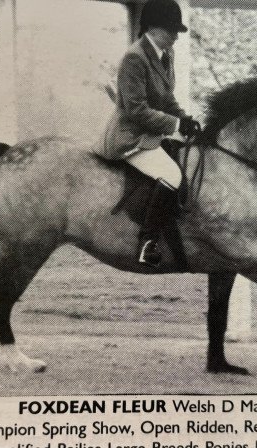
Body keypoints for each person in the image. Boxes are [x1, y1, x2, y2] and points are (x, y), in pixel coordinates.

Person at [93, 0, 201, 267]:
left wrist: (184, 118)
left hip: (153, 131)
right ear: (154, 28)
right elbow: (136, 111)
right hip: (131, 137)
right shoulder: (135, 57)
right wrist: (175, 126)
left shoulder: (167, 55)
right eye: (172, 30)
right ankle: (147, 243)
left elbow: (166, 99)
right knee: (173, 174)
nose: (176, 37)